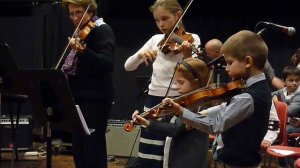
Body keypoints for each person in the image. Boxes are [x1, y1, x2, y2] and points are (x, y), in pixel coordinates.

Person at [161, 30, 272, 167]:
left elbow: (215, 125)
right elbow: (228, 109)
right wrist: (206, 111)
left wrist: (181, 112)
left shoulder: (248, 97)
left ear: (248, 61)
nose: (227, 68)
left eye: (230, 62)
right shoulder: (261, 87)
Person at [124, 0, 200, 167]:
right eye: (157, 20)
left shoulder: (192, 39)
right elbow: (128, 66)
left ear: (178, 15)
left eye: (165, 18)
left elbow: (194, 72)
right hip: (152, 101)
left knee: (170, 153)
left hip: (177, 102)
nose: (161, 24)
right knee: (148, 153)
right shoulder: (156, 40)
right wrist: (141, 55)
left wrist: (187, 54)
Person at [61, 0, 115, 167]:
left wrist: (83, 51)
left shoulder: (102, 29)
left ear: (90, 11)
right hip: (79, 99)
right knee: (79, 149)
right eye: (71, 14)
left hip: (95, 99)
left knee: (93, 150)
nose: (75, 17)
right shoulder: (81, 32)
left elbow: (107, 63)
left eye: (79, 12)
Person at [131, 58, 209, 168]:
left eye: (181, 82)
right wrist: (150, 118)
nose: (177, 86)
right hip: (174, 158)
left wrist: (147, 123)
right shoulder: (182, 101)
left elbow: (175, 129)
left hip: (189, 161)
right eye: (175, 82)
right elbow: (168, 123)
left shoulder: (200, 106)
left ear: (196, 82)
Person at [272, 65, 300, 134]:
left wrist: (276, 106)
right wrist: (274, 98)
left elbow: (290, 111)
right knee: (268, 128)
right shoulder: (283, 91)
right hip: (284, 121)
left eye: (297, 80)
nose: (294, 83)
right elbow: (271, 95)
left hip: (295, 126)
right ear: (284, 81)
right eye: (291, 80)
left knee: (279, 131)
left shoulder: (298, 94)